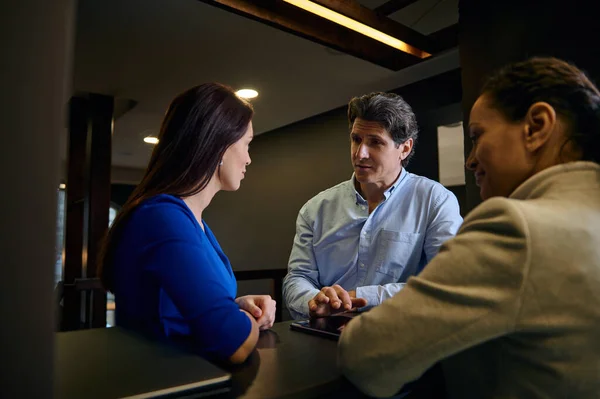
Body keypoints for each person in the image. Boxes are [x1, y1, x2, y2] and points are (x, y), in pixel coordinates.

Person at [338, 57, 600, 398]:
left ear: (536, 126)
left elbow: (366, 356)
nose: (470, 159)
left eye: (477, 136)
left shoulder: (515, 229)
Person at [98, 83, 276, 364]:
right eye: (247, 144)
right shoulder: (162, 217)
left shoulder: (193, 222)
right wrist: (239, 319)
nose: (249, 158)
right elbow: (233, 343)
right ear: (220, 146)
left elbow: (181, 309)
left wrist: (234, 307)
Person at [283, 92, 463, 320]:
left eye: (375, 142)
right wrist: (314, 300)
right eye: (356, 139)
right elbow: (297, 277)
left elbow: (447, 281)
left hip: (401, 334)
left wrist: (358, 298)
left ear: (405, 148)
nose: (360, 153)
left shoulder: (434, 200)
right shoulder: (315, 208)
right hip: (325, 334)